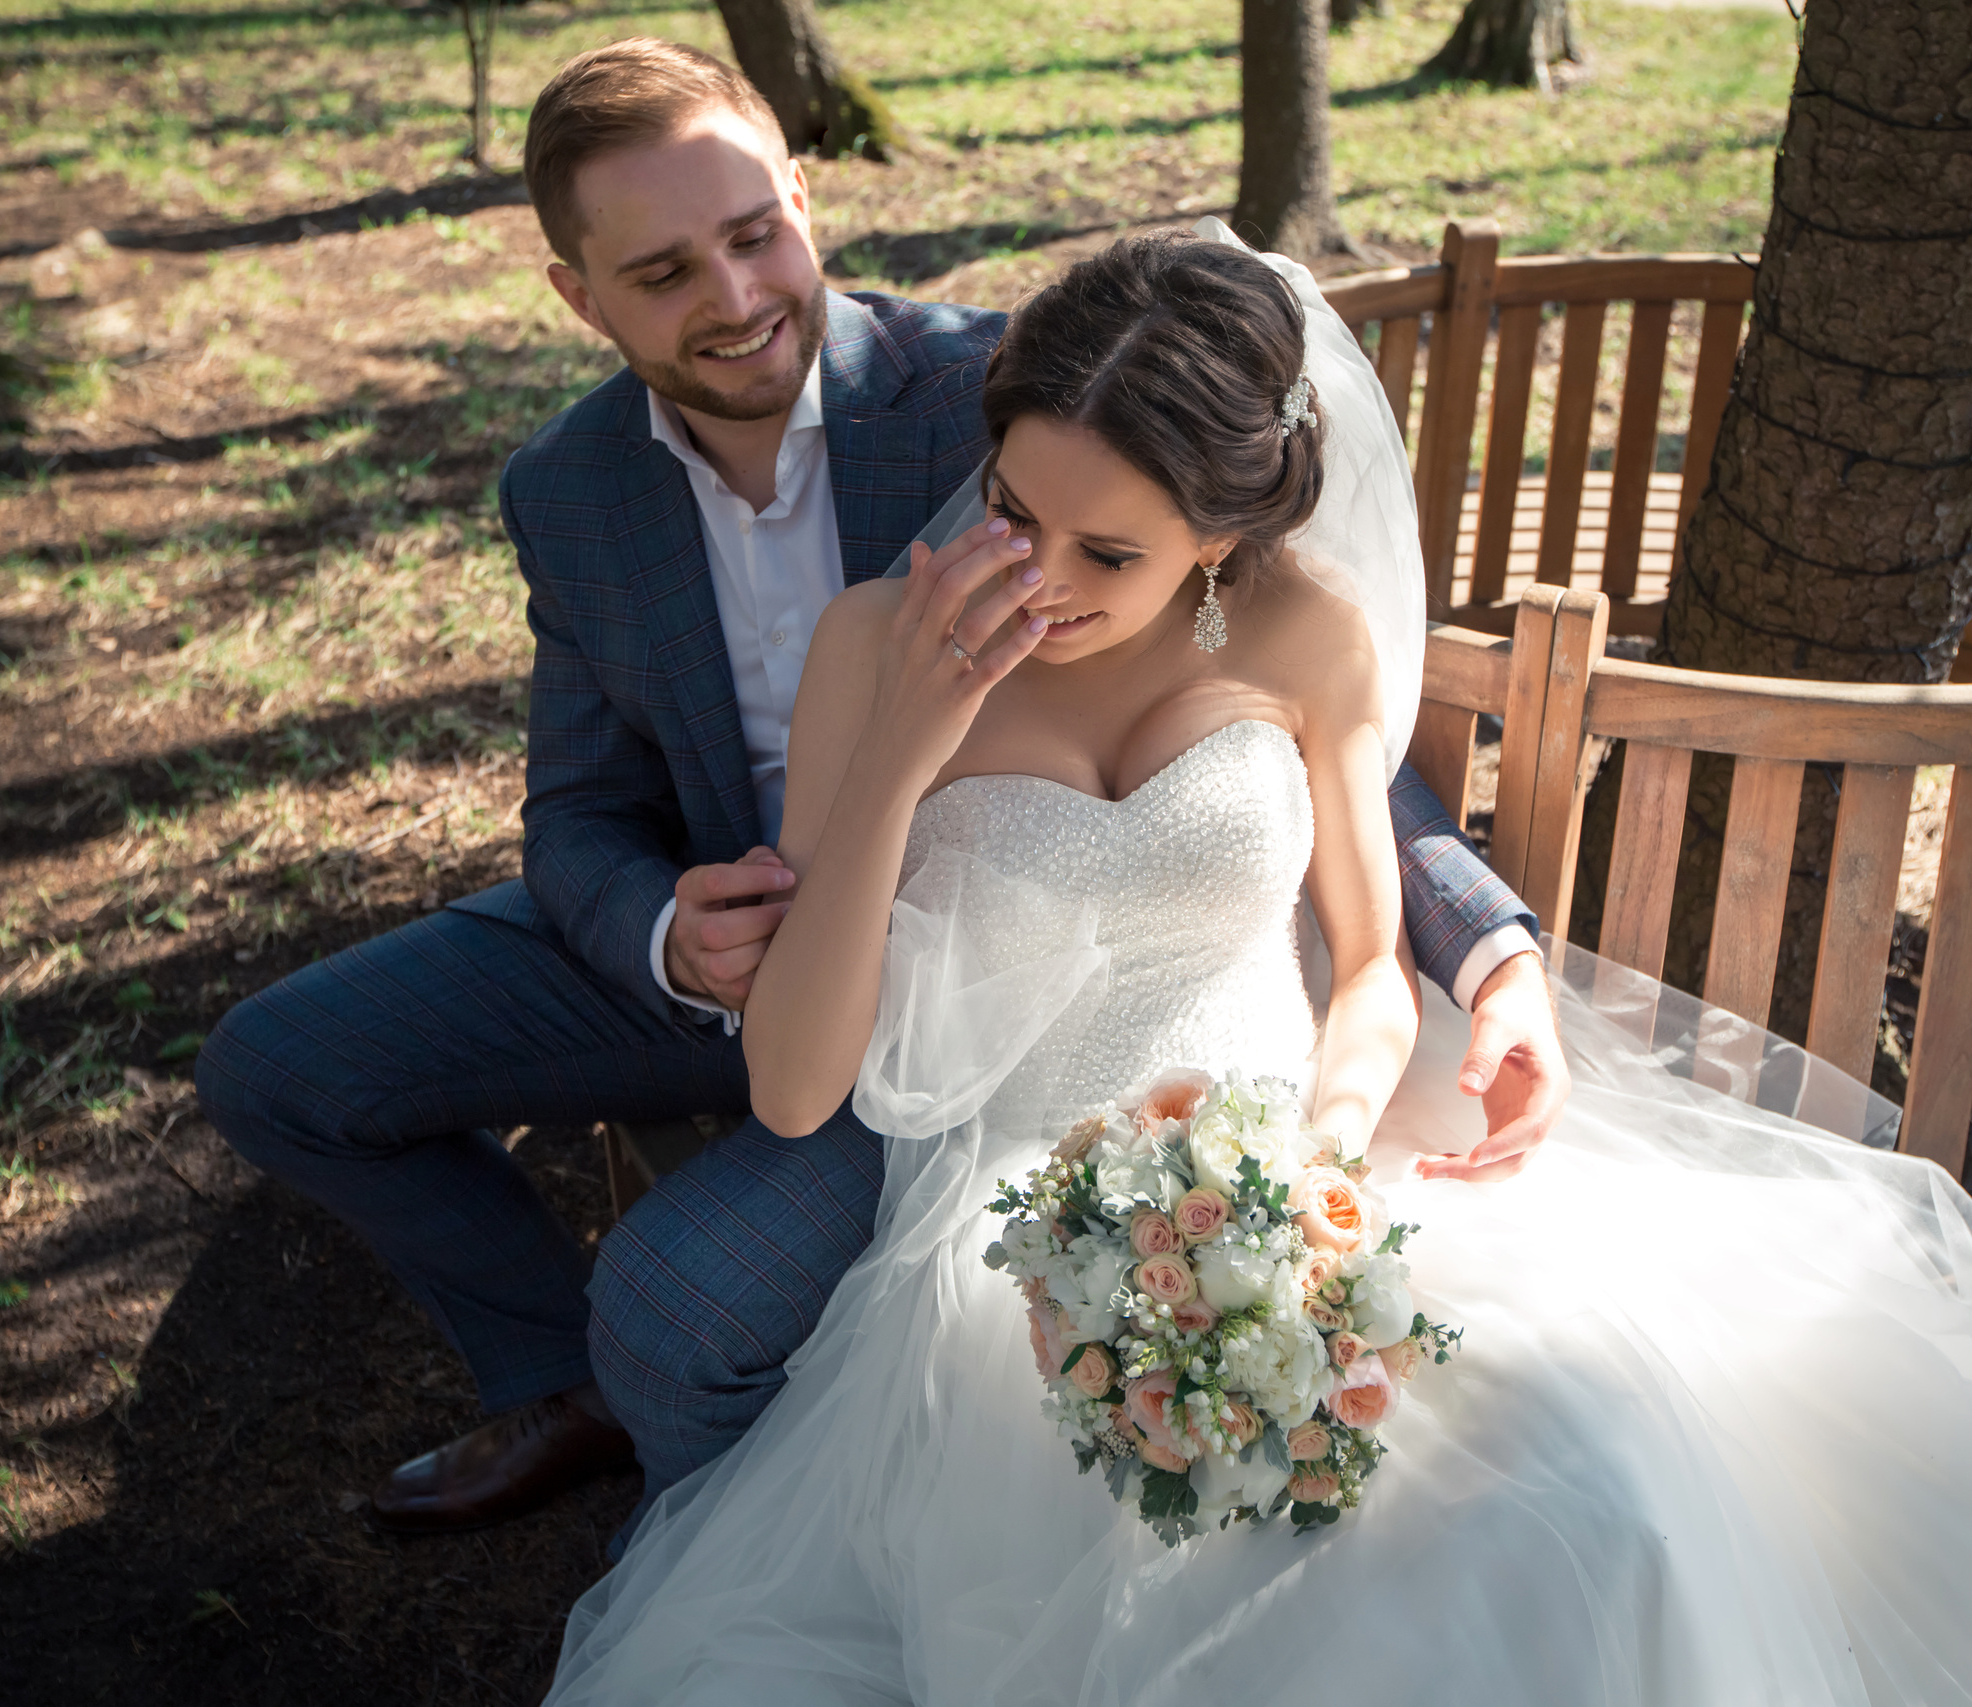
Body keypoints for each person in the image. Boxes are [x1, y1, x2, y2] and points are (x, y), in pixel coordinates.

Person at [543, 227, 1972, 1706]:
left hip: (1309, 1174)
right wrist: (912, 749)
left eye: (1114, 548)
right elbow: (795, 1086)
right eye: (1014, 508)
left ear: (1229, 538)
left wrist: (1311, 1169)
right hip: (1011, 1230)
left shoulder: (1307, 637)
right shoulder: (887, 639)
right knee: (1218, 1605)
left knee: (1605, 1496)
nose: (1040, 572)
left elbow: (1359, 969)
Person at [192, 39, 1562, 1535]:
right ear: (579, 297)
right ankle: (562, 1379)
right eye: (661, 272)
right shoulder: (568, 493)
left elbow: (1285, 734)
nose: (730, 298)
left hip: (986, 976)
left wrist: (1483, 941)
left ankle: (755, 1451)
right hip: (744, 941)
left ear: (801, 193)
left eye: (751, 234)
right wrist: (661, 928)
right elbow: (577, 808)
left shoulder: (1033, 393)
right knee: (280, 1068)